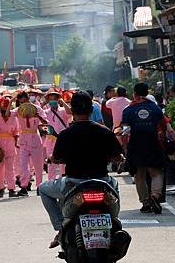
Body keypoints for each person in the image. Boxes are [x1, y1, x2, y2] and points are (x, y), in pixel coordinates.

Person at [39, 91, 123, 248]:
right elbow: (117, 156)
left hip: (73, 183)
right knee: (115, 186)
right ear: (92, 109)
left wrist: (52, 159)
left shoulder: (65, 134)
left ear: (72, 110)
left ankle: (60, 228)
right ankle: (115, 220)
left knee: (43, 189)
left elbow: (56, 158)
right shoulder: (104, 131)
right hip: (102, 181)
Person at [120, 83, 166, 214]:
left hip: (135, 143)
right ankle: (155, 196)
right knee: (156, 172)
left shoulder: (128, 110)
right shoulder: (154, 107)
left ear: (134, 93)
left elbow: (124, 131)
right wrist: (161, 134)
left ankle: (145, 203)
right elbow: (162, 125)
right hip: (152, 142)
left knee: (139, 175)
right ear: (147, 93)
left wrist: (125, 147)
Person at [14, 91, 46, 196]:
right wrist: (11, 101)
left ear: (28, 99)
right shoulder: (19, 110)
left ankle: (39, 186)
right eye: (20, 102)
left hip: (35, 138)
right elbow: (8, 114)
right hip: (23, 139)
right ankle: (24, 186)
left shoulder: (37, 109)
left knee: (38, 165)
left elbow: (45, 123)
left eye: (24, 101)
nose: (23, 104)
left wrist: (38, 116)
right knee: (23, 165)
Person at [43, 89, 72, 181]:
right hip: (50, 139)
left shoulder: (63, 110)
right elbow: (39, 115)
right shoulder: (46, 112)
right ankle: (51, 180)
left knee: (63, 160)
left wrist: (62, 101)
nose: (52, 101)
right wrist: (43, 103)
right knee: (51, 161)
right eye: (50, 99)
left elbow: (70, 112)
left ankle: (63, 178)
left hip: (62, 139)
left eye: (54, 99)